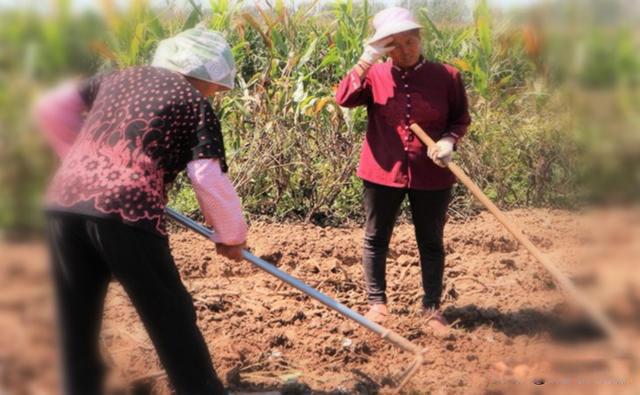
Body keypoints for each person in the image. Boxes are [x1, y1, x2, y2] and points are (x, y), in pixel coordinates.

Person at [34, 26, 247, 394]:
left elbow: (50, 108)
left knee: (76, 315)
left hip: (64, 203)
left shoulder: (118, 78)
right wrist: (231, 235)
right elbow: (206, 176)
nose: (217, 94)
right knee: (169, 312)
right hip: (126, 210)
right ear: (205, 75)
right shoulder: (194, 104)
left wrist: (81, 162)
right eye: (216, 87)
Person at [334, 7, 471, 332]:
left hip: (432, 173)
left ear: (421, 39)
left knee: (431, 241)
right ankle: (377, 304)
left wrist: (449, 141)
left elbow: (459, 118)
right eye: (394, 44)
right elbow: (344, 97)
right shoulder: (375, 75)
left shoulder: (447, 76)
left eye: (411, 41)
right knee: (376, 238)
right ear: (384, 47)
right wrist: (366, 59)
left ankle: (432, 308)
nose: (406, 49)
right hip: (382, 169)